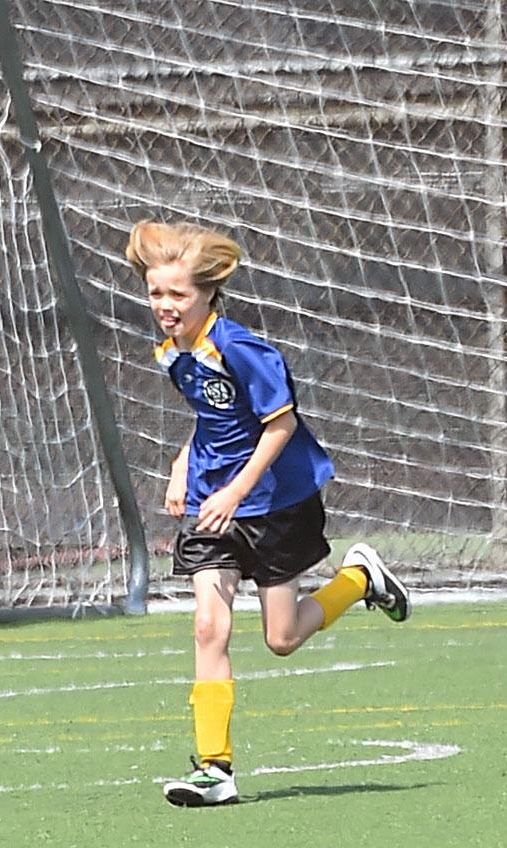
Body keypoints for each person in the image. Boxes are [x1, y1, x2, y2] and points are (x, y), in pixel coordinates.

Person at [125, 220, 410, 808]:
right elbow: (212, 419)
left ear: (208, 292)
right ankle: (215, 770)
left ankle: (360, 580)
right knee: (209, 626)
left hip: (273, 503)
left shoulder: (241, 347)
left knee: (281, 638)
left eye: (177, 294)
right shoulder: (173, 351)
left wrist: (237, 490)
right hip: (213, 505)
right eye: (157, 293)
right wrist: (184, 467)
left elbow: (279, 425)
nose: (165, 305)